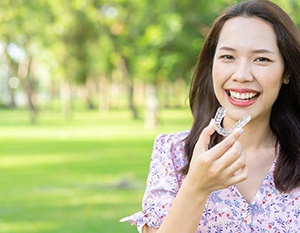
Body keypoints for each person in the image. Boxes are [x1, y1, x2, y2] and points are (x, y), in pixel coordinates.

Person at [120, 0, 300, 232]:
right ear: (211, 65)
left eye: (261, 59)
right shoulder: (173, 154)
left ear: (286, 72)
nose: (242, 75)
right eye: (228, 57)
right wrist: (196, 186)